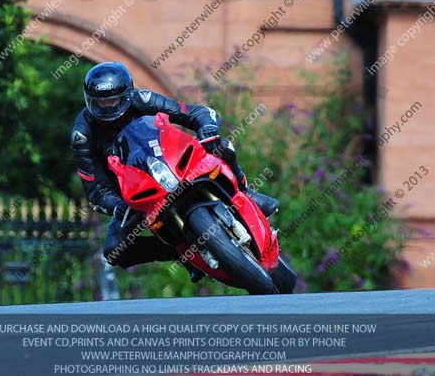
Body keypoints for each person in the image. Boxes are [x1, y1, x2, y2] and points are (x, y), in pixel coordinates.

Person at [70, 61, 279, 275]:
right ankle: (179, 252)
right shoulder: (82, 135)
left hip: (176, 163)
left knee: (222, 147)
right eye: (102, 103)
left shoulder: (144, 99)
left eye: (114, 99)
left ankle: (247, 192)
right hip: (135, 195)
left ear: (128, 94)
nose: (109, 107)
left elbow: (193, 113)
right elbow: (95, 190)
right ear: (90, 101)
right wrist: (117, 206)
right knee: (114, 251)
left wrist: (207, 127)